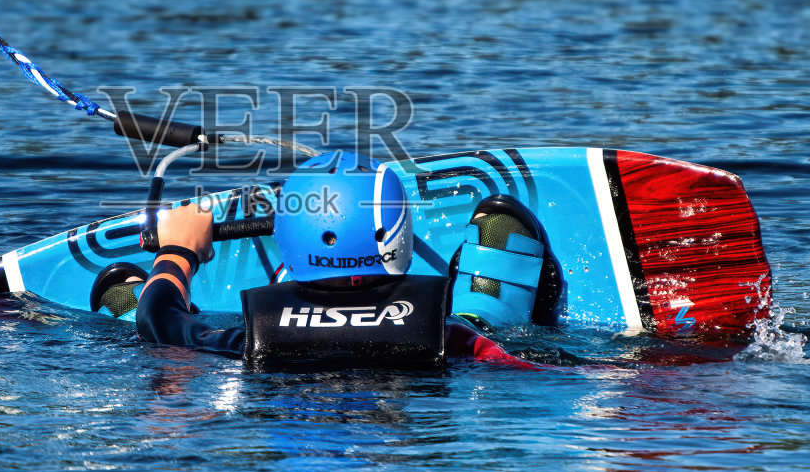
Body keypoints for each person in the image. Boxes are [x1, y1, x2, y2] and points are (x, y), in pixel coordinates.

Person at [91, 151, 550, 369]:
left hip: (250, 379)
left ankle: (129, 312)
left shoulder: (246, 337)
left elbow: (159, 318)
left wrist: (178, 252)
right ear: (397, 238)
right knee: (486, 337)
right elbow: (529, 372)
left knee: (174, 345)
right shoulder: (452, 335)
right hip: (444, 381)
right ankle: (487, 309)